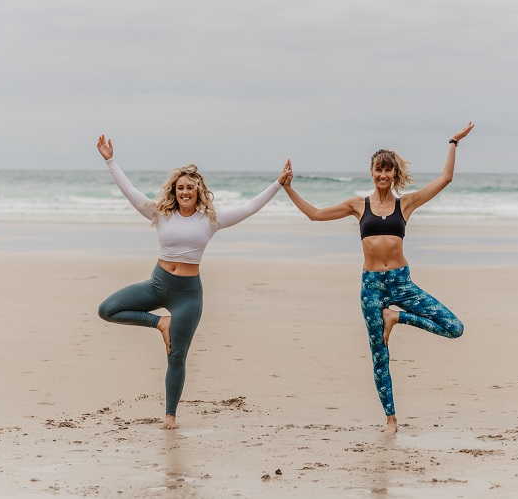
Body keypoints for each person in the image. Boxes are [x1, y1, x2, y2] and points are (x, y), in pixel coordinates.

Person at [282, 123, 474, 434]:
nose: (382, 175)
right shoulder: (358, 205)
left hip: (402, 282)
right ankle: (391, 420)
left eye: (387, 171)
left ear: (394, 174)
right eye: (378, 170)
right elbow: (314, 214)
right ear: (371, 171)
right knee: (379, 354)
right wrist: (287, 187)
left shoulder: (405, 203)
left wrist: (453, 142)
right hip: (371, 286)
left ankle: (395, 318)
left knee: (454, 328)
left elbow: (445, 179)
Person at [95, 135, 291, 429]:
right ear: (174, 190)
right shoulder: (160, 214)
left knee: (177, 356)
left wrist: (278, 184)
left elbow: (250, 207)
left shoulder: (211, 220)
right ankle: (159, 323)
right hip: (157, 284)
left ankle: (170, 415)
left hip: (187, 296)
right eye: (181, 187)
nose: (185, 191)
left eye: (190, 187)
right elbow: (130, 191)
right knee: (107, 309)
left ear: (199, 191)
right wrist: (110, 160)